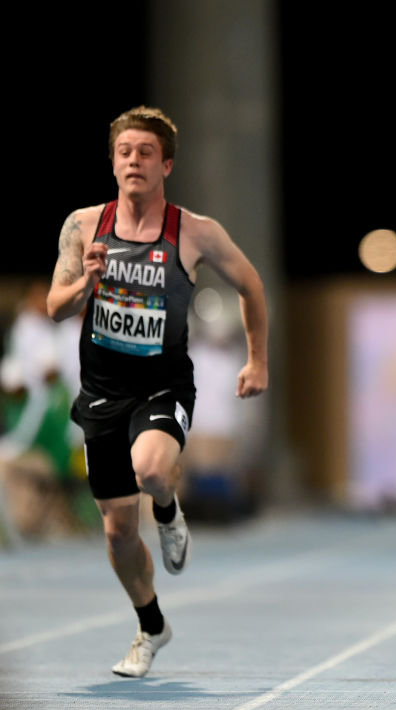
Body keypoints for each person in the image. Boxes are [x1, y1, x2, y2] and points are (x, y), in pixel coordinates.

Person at [46, 106, 269, 677]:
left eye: (146, 152)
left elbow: (250, 284)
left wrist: (257, 360)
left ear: (166, 164)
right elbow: (54, 307)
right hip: (101, 393)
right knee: (119, 532)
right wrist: (86, 282)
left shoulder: (194, 231)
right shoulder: (83, 226)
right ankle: (151, 627)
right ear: (113, 162)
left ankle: (168, 511)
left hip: (162, 386)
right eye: (124, 152)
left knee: (149, 470)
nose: (134, 161)